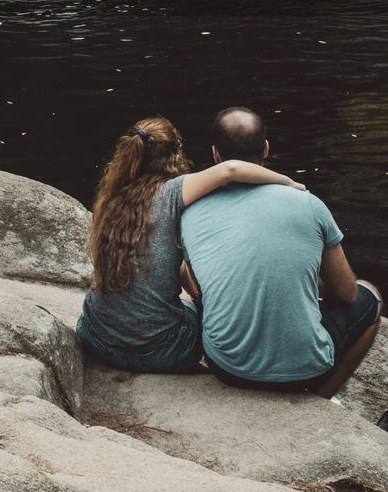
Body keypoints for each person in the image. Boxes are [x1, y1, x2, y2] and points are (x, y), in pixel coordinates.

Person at [76, 115, 306, 373]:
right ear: (175, 153)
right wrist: (287, 182)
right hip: (161, 354)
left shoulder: (112, 195)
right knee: (190, 305)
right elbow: (230, 169)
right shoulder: (172, 192)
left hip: (95, 339)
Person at [180, 106, 382, 396]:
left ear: (215, 154)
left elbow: (205, 281)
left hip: (226, 367)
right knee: (370, 295)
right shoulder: (307, 203)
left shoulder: (191, 210)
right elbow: (346, 294)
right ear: (266, 148)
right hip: (308, 371)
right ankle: (323, 396)